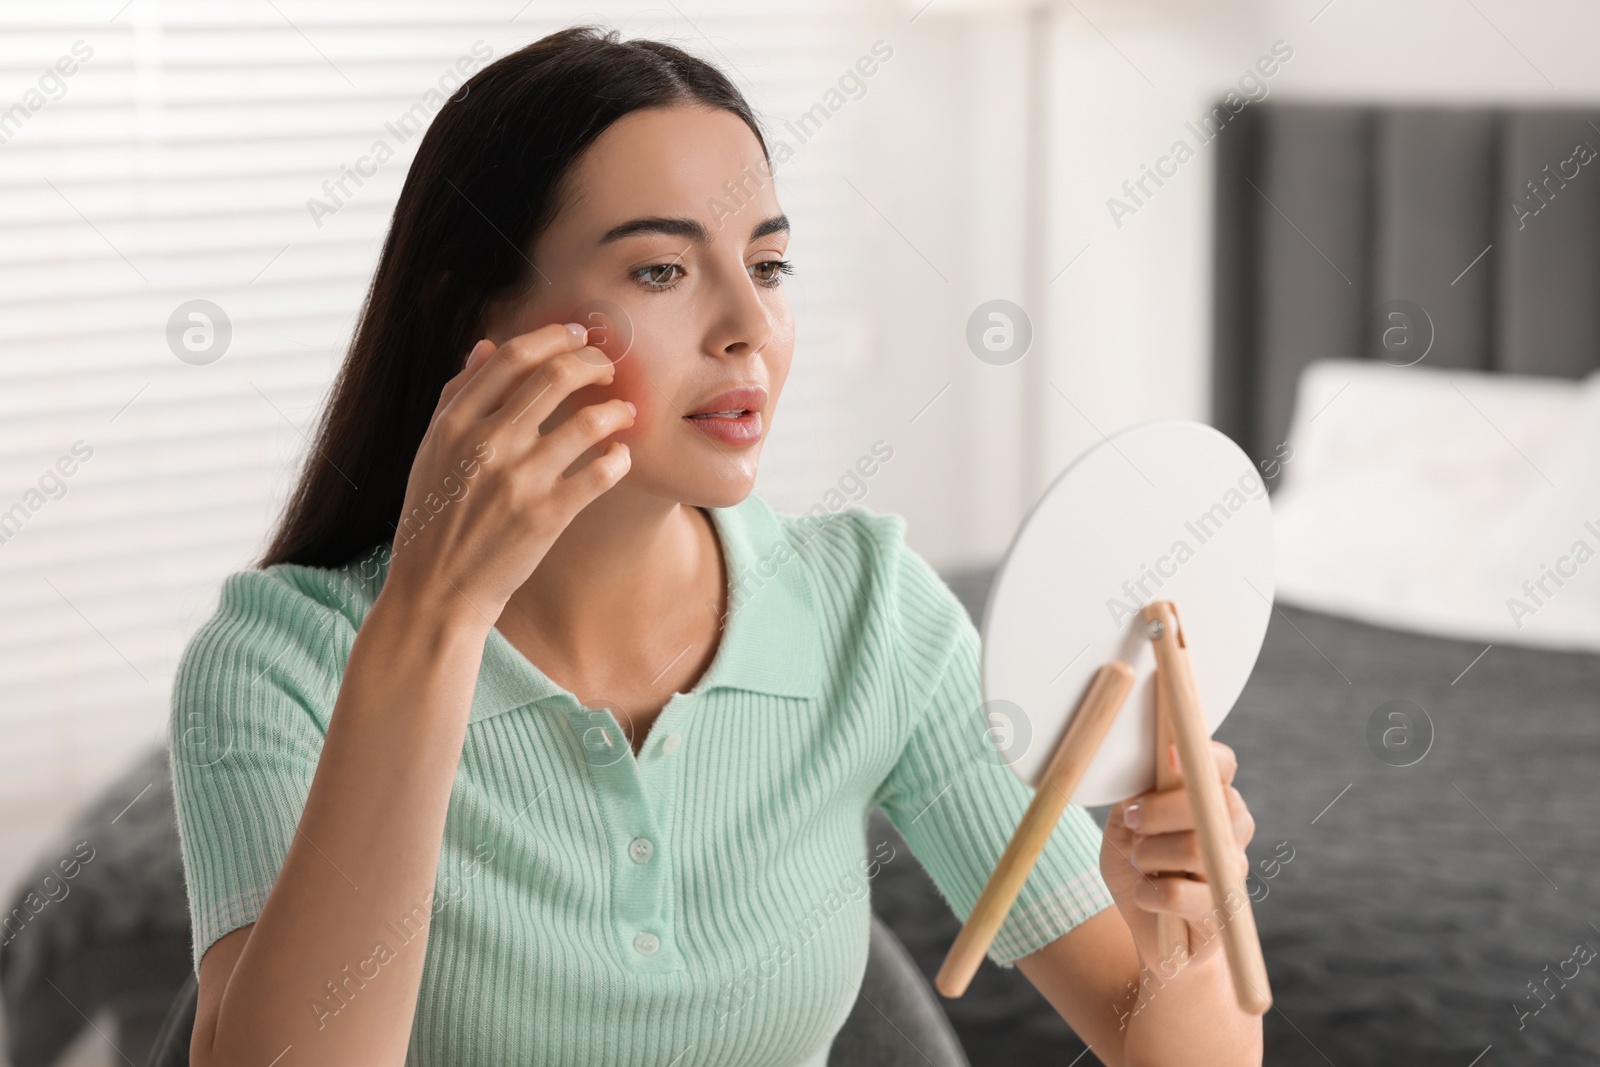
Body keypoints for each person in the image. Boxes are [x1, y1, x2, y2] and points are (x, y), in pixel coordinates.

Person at [169, 24, 1263, 1067]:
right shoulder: (276, 664)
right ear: (475, 321)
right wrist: (432, 620)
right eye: (661, 270)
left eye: (770, 263)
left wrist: (1186, 930)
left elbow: (1161, 1041)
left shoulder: (869, 612)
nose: (747, 321)